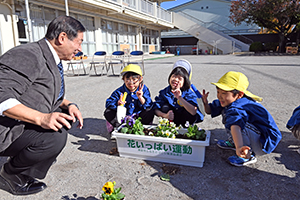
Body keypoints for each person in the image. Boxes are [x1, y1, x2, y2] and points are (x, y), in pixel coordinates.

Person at [0, 16, 85, 195]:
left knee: (61, 121)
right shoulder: (28, 54)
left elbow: (42, 91)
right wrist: (42, 118)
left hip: (20, 122)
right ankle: (10, 175)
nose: (80, 49)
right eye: (79, 42)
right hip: (5, 128)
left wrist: (69, 104)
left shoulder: (51, 58)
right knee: (54, 137)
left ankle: (26, 166)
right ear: (62, 38)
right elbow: (2, 96)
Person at [202, 71, 282, 167]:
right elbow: (210, 110)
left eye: (224, 93)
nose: (219, 96)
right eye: (218, 91)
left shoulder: (239, 106)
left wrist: (239, 147)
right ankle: (235, 143)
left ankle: (247, 154)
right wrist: (205, 103)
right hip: (256, 134)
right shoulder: (228, 100)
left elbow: (236, 126)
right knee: (228, 115)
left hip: (264, 141)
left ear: (239, 95)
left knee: (235, 122)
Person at [153, 59, 204, 127]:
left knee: (188, 108)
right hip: (170, 120)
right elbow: (155, 109)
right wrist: (165, 115)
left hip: (185, 122)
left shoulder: (189, 93)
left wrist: (180, 98)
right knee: (165, 107)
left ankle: (187, 128)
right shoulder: (164, 92)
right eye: (174, 76)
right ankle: (168, 127)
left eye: (180, 78)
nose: (176, 80)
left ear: (185, 81)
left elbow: (193, 111)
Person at [104, 64, 154, 131]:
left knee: (150, 111)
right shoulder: (119, 91)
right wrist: (118, 103)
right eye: (127, 79)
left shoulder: (143, 90)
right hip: (124, 117)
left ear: (140, 79)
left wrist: (141, 98)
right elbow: (108, 103)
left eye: (134, 79)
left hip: (138, 116)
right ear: (123, 79)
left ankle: (143, 128)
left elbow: (149, 104)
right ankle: (118, 127)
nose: (131, 83)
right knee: (108, 112)